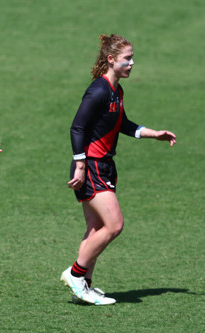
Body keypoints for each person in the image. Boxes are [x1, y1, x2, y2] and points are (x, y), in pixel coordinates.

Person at [60, 34, 176, 305]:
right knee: (114, 225)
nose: (132, 63)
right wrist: (80, 166)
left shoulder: (116, 91)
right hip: (92, 167)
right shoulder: (98, 90)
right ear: (111, 60)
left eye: (132, 58)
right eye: (127, 59)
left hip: (104, 166)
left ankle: (83, 287)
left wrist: (153, 134)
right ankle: (76, 274)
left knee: (95, 227)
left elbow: (122, 124)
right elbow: (77, 127)